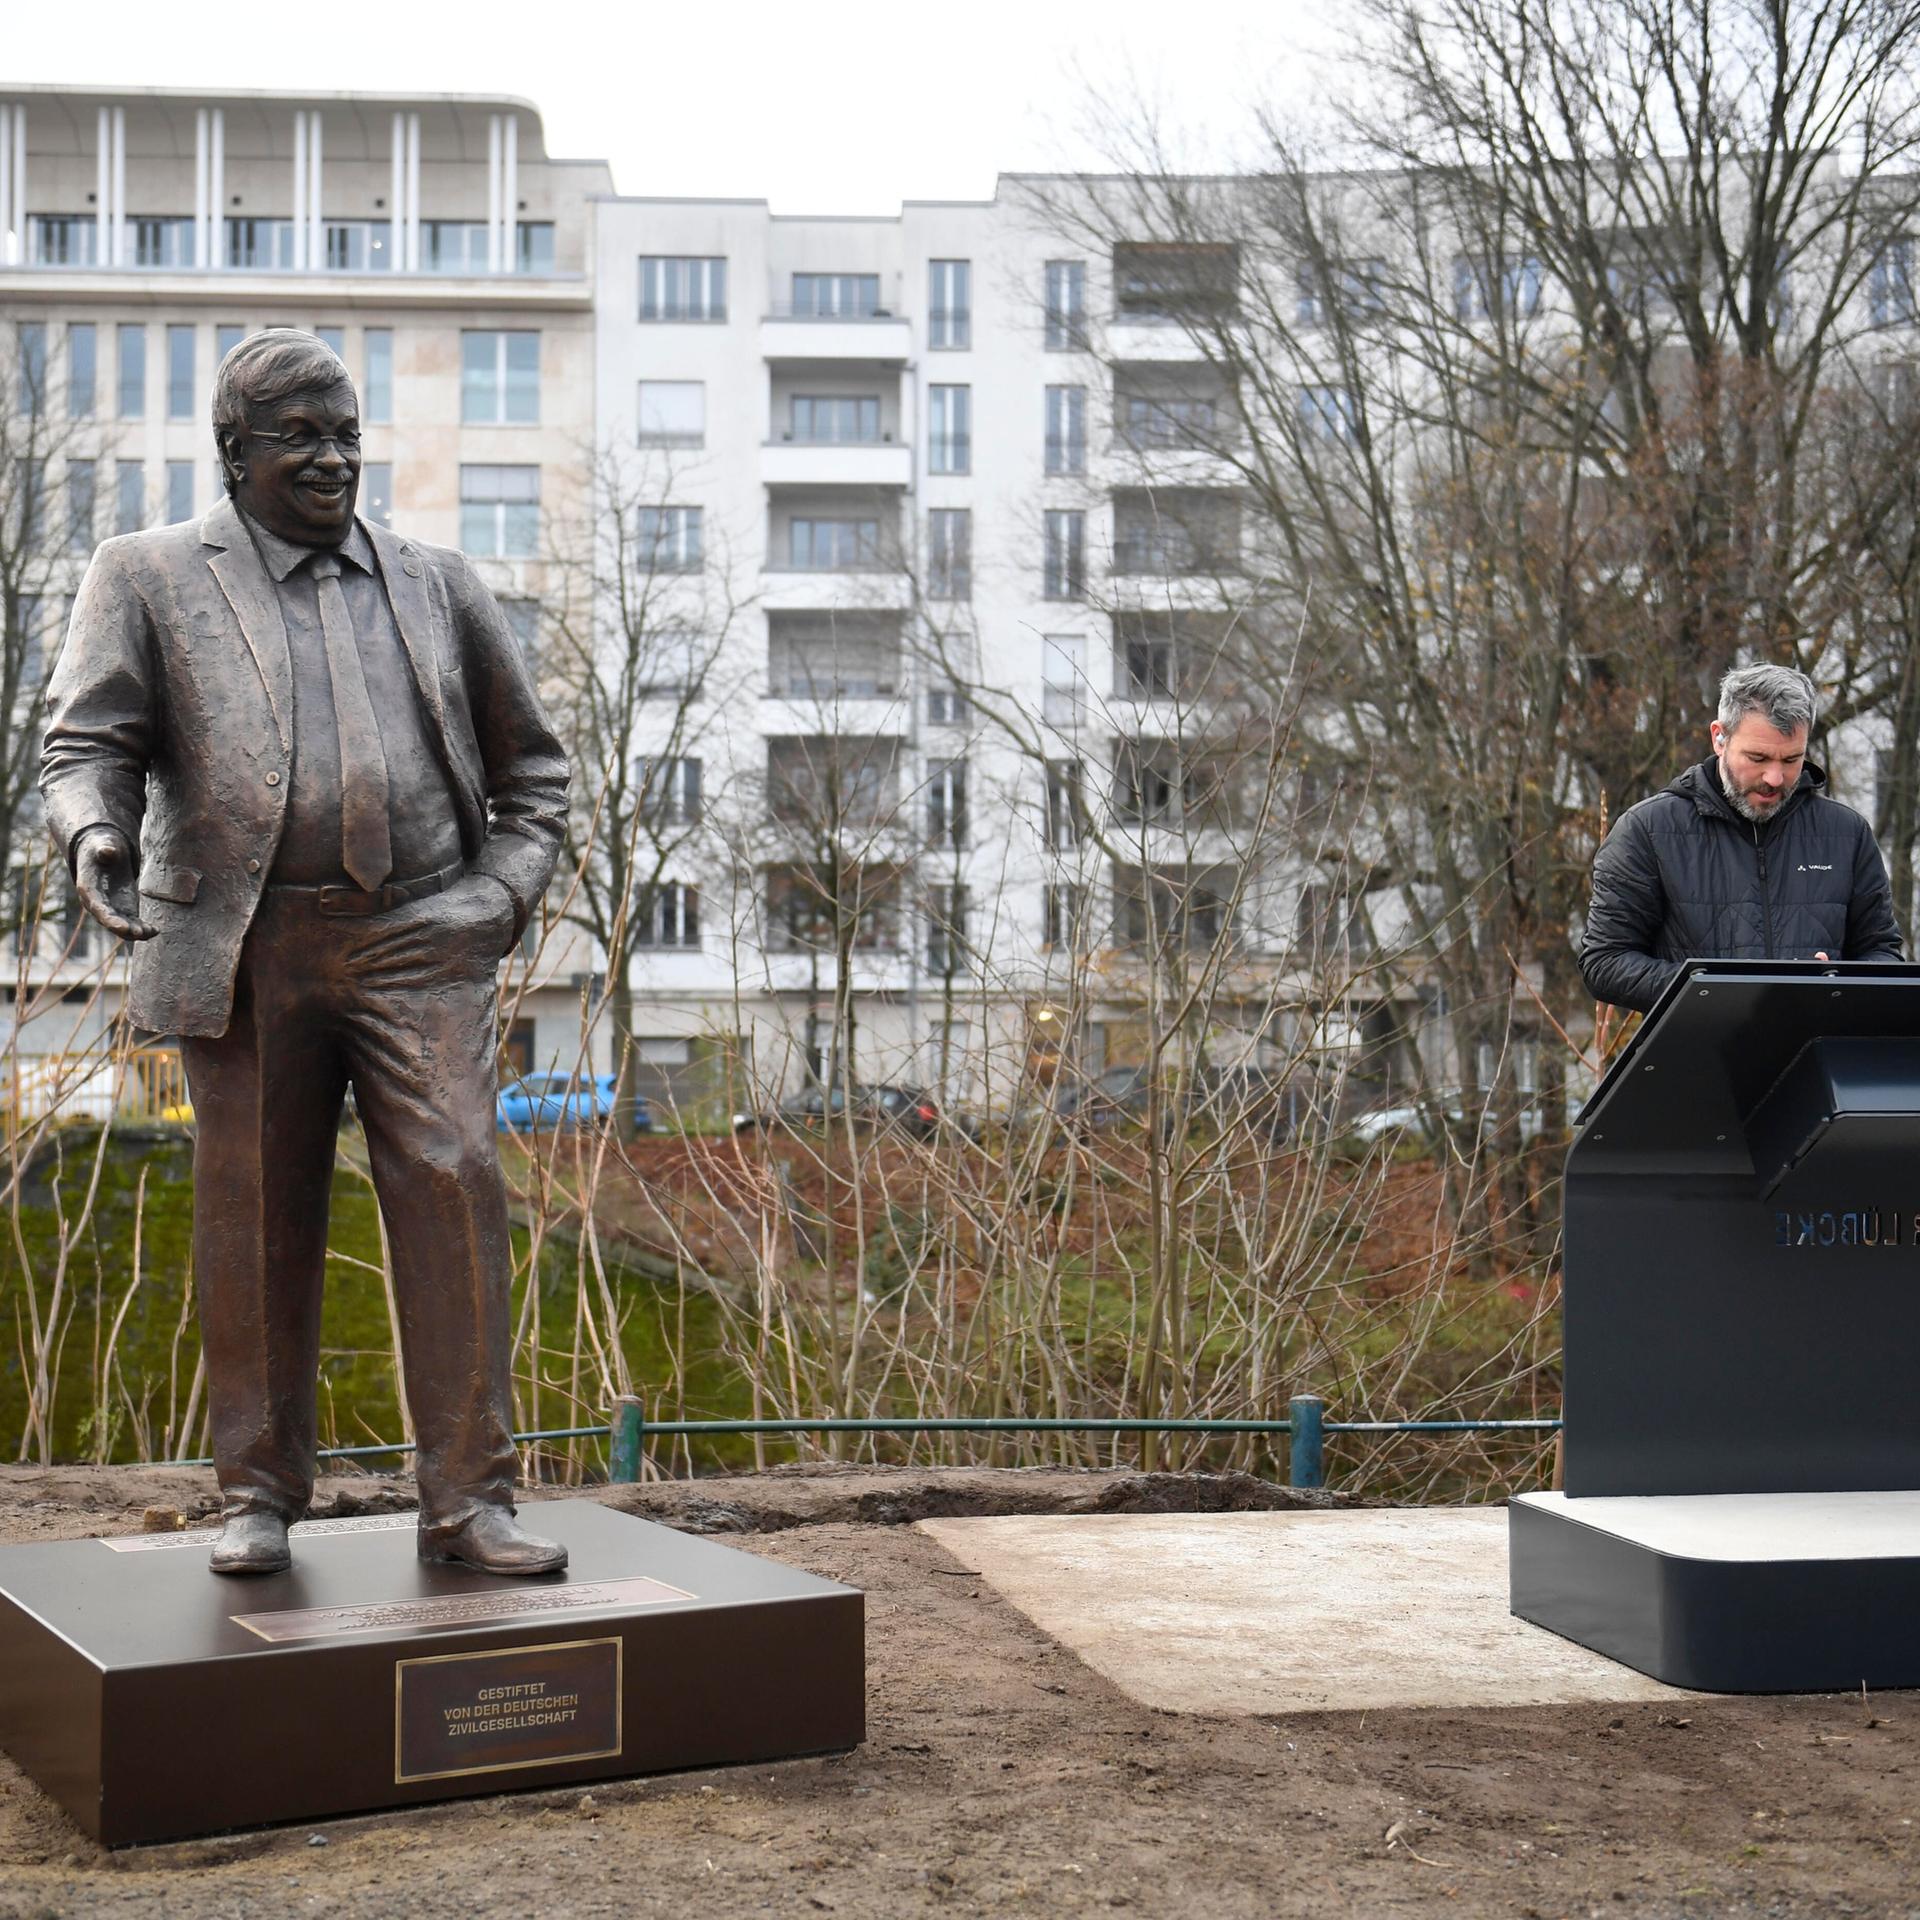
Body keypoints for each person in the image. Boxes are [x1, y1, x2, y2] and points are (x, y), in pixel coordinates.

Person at [41, 330, 571, 1577]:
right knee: (256, 1213)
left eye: (346, 433)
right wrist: (94, 835)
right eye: (302, 439)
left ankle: (470, 1500)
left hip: (420, 939)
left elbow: (532, 770)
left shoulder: (439, 581)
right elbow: (86, 744)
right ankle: (259, 1495)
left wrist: (498, 897)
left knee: (457, 1185)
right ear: (235, 454)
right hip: (245, 944)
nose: (333, 458)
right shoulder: (149, 573)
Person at [1580, 662, 1904, 1013]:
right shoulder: (1648, 830)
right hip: (1697, 1060)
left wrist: (1836, 985)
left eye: (1792, 759)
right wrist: (1712, 991)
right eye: (1758, 757)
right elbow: (1604, 962)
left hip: (1816, 1058)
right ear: (1719, 737)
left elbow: (1883, 954)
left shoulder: (1847, 834)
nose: (1776, 777)